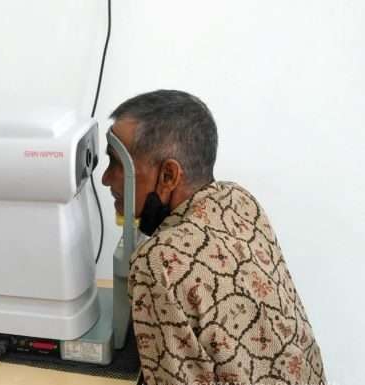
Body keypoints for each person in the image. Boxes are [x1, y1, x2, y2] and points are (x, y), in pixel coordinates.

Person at [102, 90, 327, 385]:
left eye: (118, 164)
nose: (106, 178)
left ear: (168, 176)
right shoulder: (240, 201)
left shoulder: (158, 263)